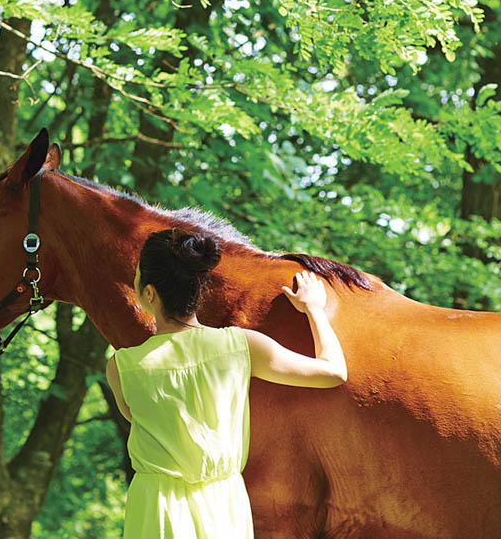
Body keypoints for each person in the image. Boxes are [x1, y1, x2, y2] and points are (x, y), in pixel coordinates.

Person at [105, 228, 348, 539]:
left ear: (149, 293)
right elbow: (333, 372)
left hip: (156, 510)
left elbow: (137, 418)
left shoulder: (122, 367)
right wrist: (314, 309)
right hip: (221, 507)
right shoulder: (240, 346)